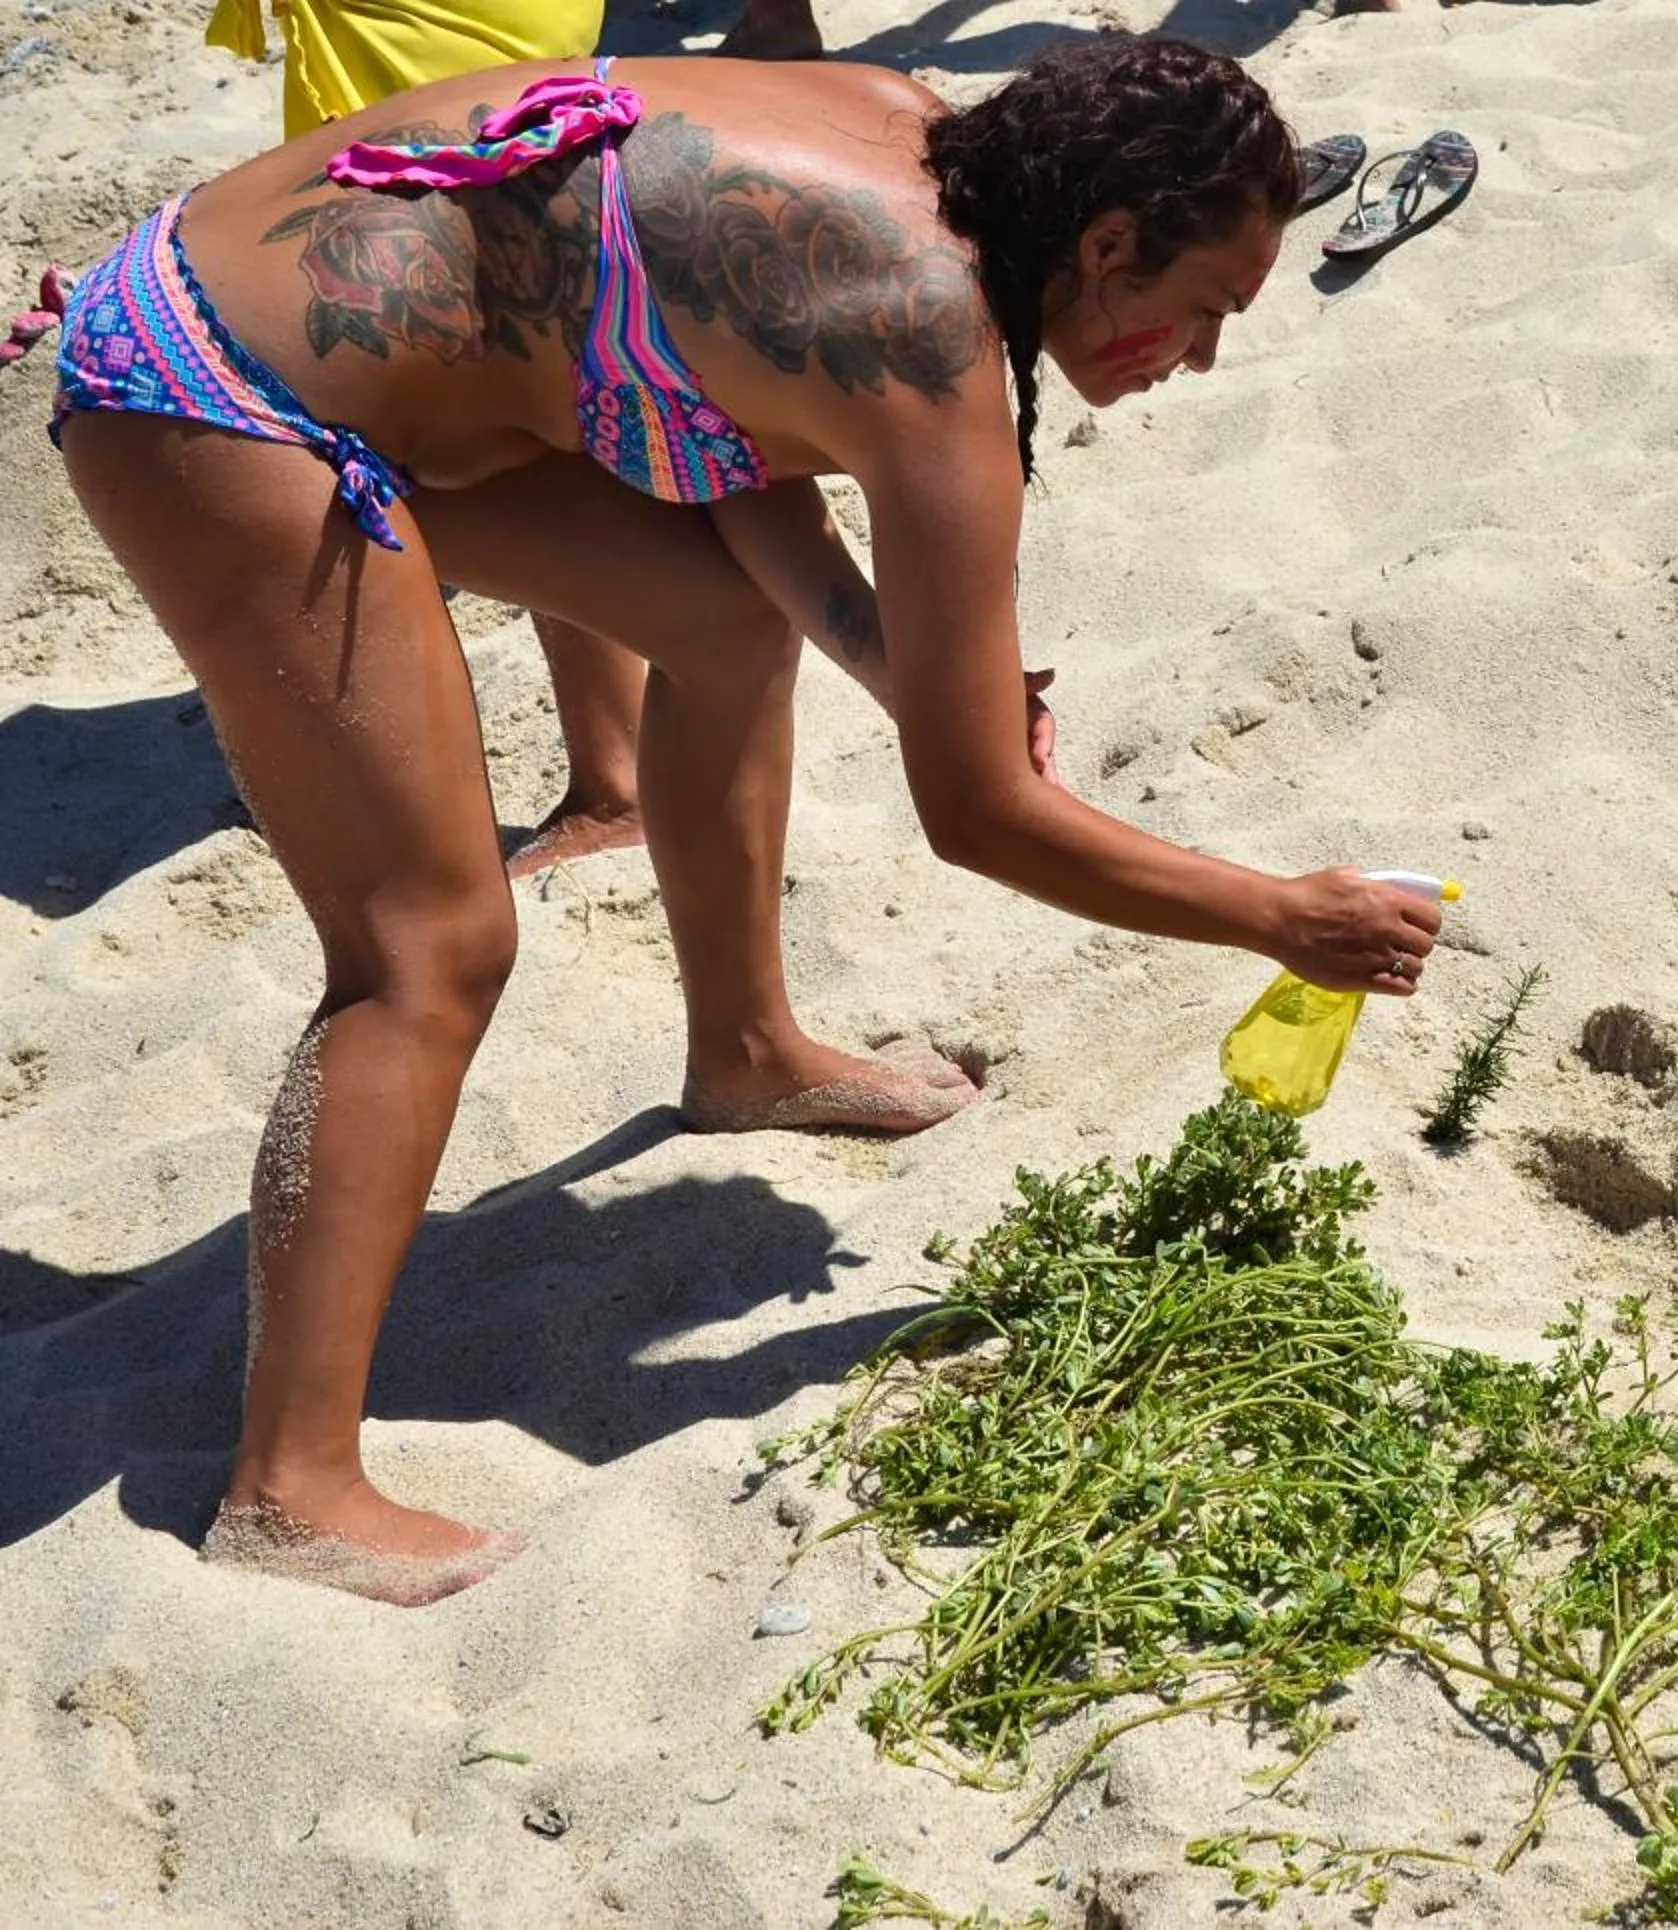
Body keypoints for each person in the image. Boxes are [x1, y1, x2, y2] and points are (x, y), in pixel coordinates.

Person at [49, 37, 1443, 1604]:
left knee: (723, 629)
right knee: (428, 942)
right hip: (210, 388)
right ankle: (287, 1486)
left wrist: (898, 666)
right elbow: (980, 815)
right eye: (1206, 309)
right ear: (1109, 243)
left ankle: (747, 1052)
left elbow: (723, 426)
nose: (1201, 359)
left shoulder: (938, 161)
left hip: (323, 332)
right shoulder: (930, 334)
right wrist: (1281, 916)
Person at [206, 0, 659, 875]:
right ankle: (615, 770)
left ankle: (617, 779)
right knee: (513, 382)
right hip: (479, 46)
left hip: (429, 62)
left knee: (497, 397)